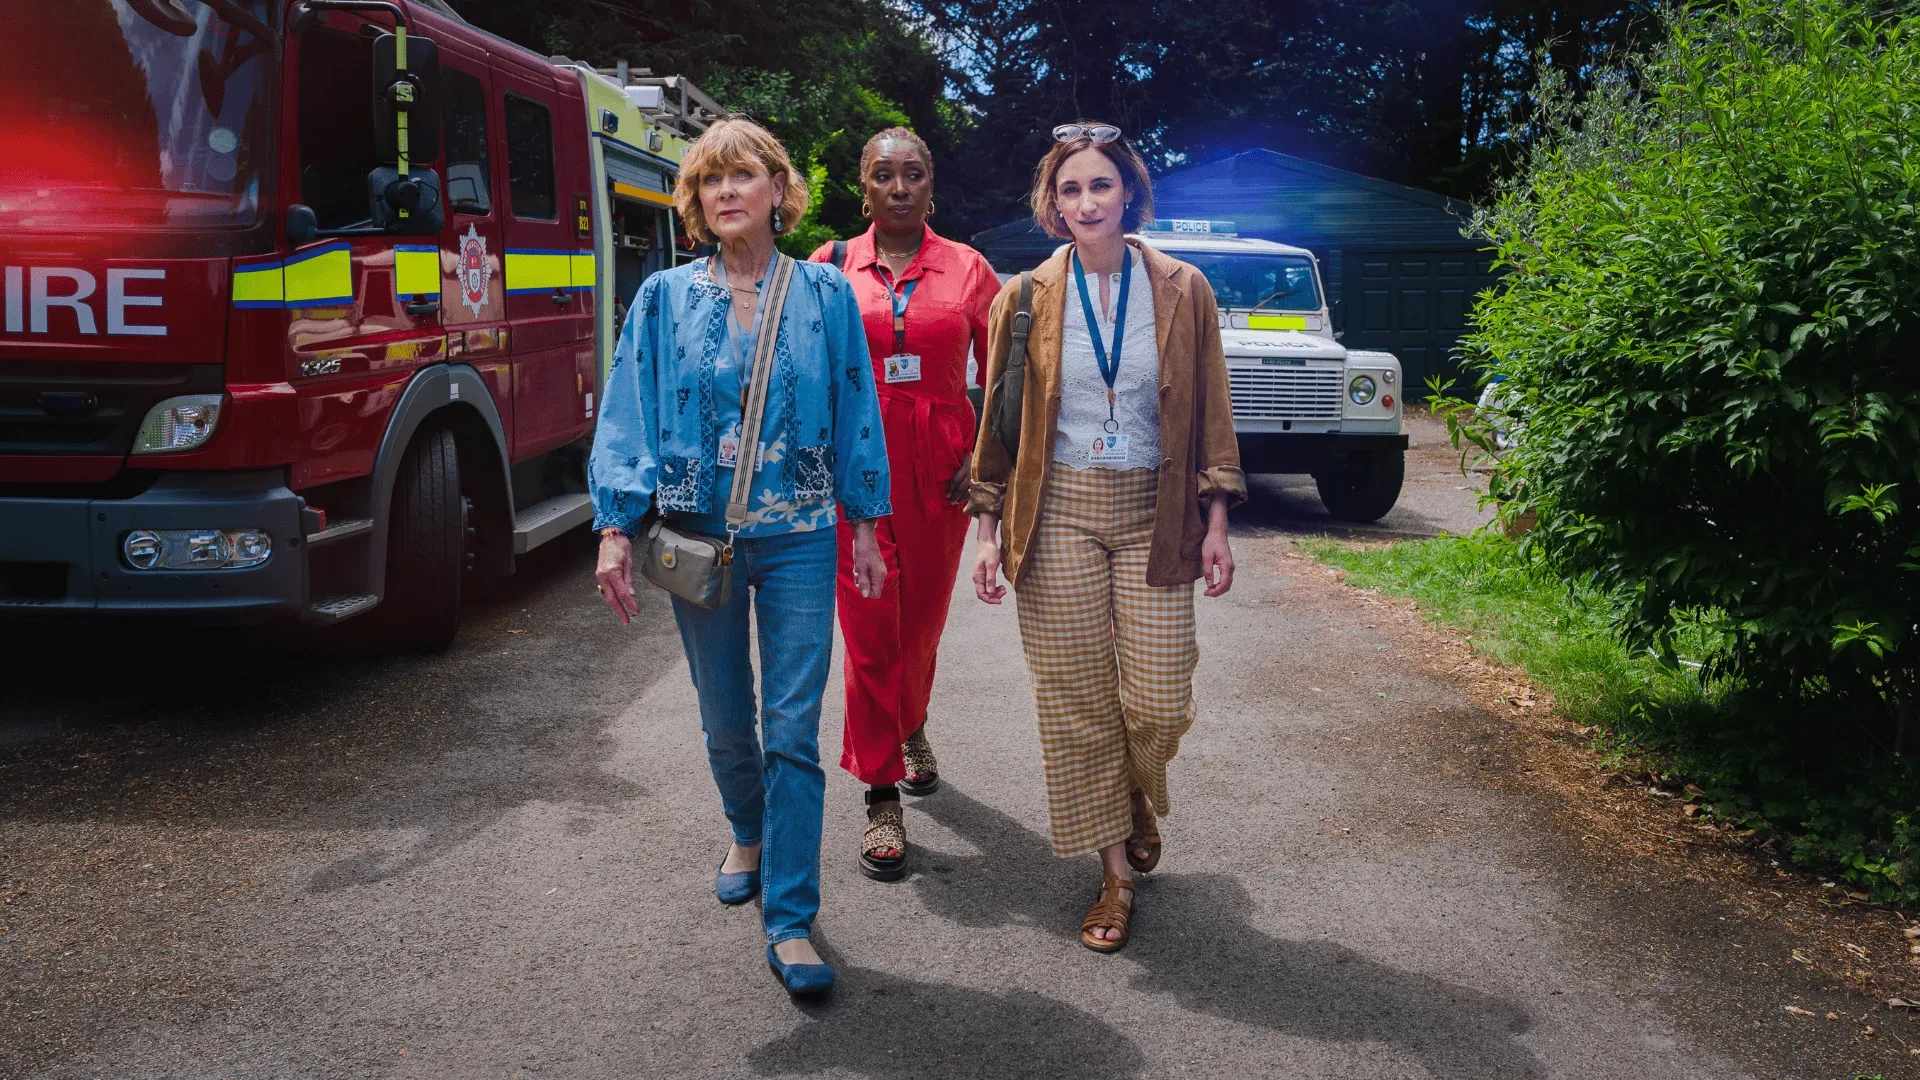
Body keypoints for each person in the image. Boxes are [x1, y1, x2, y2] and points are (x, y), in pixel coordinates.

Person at [589, 118, 891, 996]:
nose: (727, 191)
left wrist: (865, 521)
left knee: (790, 731)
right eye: (710, 180)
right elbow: (629, 410)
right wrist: (616, 526)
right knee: (726, 719)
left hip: (799, 535)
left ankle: (790, 920)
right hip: (699, 537)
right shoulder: (664, 299)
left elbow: (854, 405)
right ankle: (747, 832)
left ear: (777, 190)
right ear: (694, 201)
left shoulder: (827, 296)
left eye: (743, 175)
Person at [968, 121, 1243, 954]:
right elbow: (997, 427)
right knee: (1076, 702)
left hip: (1156, 507)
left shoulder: (1183, 287)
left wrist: (1218, 517)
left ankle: (1133, 792)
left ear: (1130, 194)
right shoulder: (1023, 296)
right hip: (1053, 510)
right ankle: (1115, 872)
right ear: (1052, 205)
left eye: (1101, 185)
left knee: (1160, 697)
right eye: (1070, 188)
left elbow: (1212, 408)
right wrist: (986, 530)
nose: (1087, 201)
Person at [809, 127, 999, 881]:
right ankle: (880, 790)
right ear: (864, 187)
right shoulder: (827, 269)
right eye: (883, 174)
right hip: (856, 470)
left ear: (930, 187)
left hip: (939, 470)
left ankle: (911, 719)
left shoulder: (969, 268)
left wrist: (986, 462)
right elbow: (802, 370)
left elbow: (1004, 373)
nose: (898, 186)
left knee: (919, 621)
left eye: (912, 174)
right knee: (868, 628)